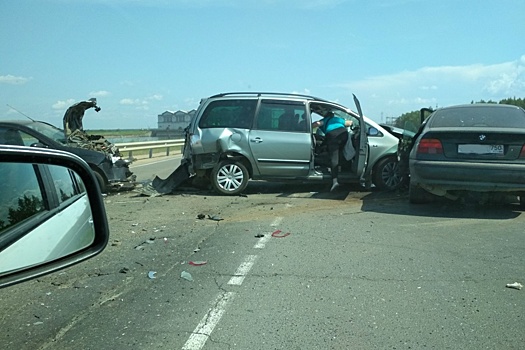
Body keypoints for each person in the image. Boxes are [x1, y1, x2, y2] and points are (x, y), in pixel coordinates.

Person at [312, 111, 353, 191]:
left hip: (332, 135)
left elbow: (316, 124)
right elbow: (349, 123)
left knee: (334, 157)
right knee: (341, 152)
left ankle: (335, 181)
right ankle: (344, 168)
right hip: (343, 134)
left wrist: (307, 126)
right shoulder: (337, 119)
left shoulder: (325, 120)